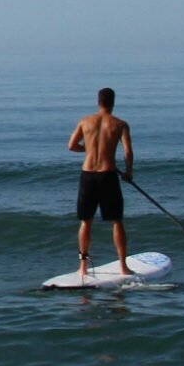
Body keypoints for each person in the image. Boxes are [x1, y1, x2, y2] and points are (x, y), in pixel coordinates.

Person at [66, 88, 135, 280]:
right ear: (113, 103)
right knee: (116, 221)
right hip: (107, 175)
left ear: (98, 102)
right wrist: (128, 173)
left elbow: (71, 146)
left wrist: (89, 150)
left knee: (86, 221)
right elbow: (128, 152)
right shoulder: (120, 124)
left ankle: (83, 267)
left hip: (87, 174)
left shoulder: (85, 121)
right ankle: (123, 266)